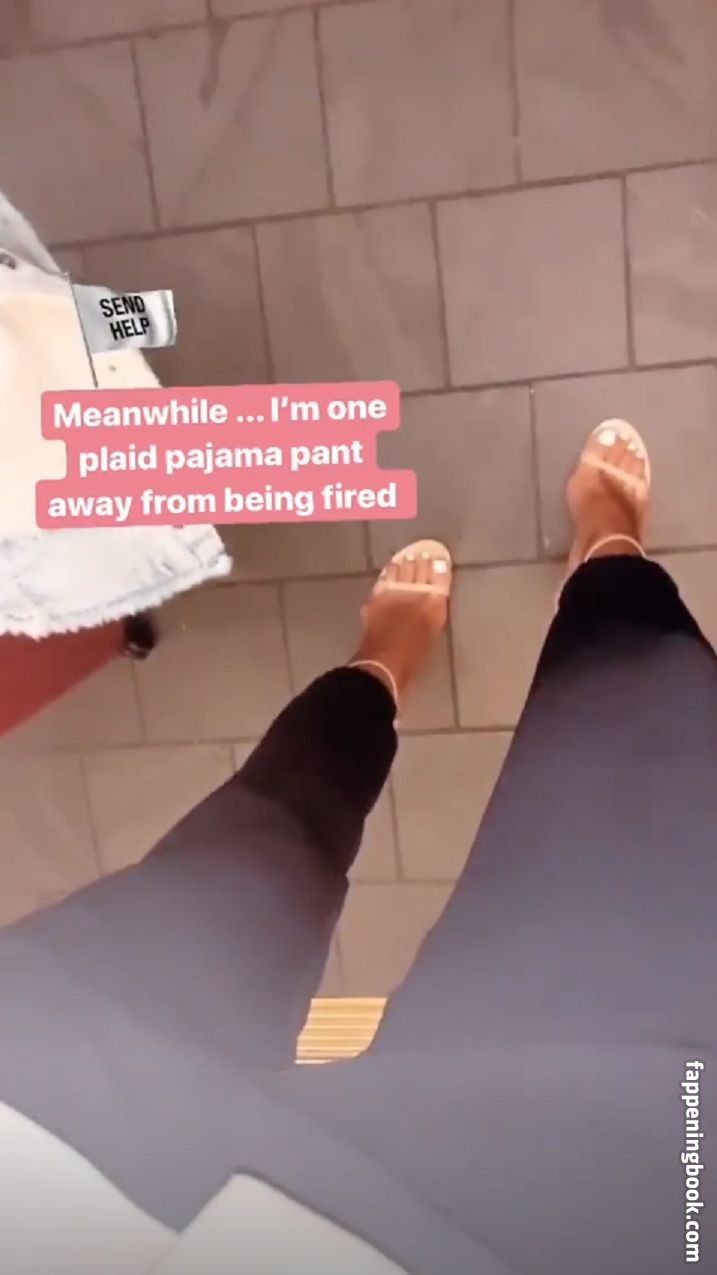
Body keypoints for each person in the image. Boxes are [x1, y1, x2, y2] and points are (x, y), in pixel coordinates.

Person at [0, 420, 714, 1275]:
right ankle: (606, 562)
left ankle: (377, 671)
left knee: (253, 855)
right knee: (651, 751)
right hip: (618, 1207)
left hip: (37, 1138)